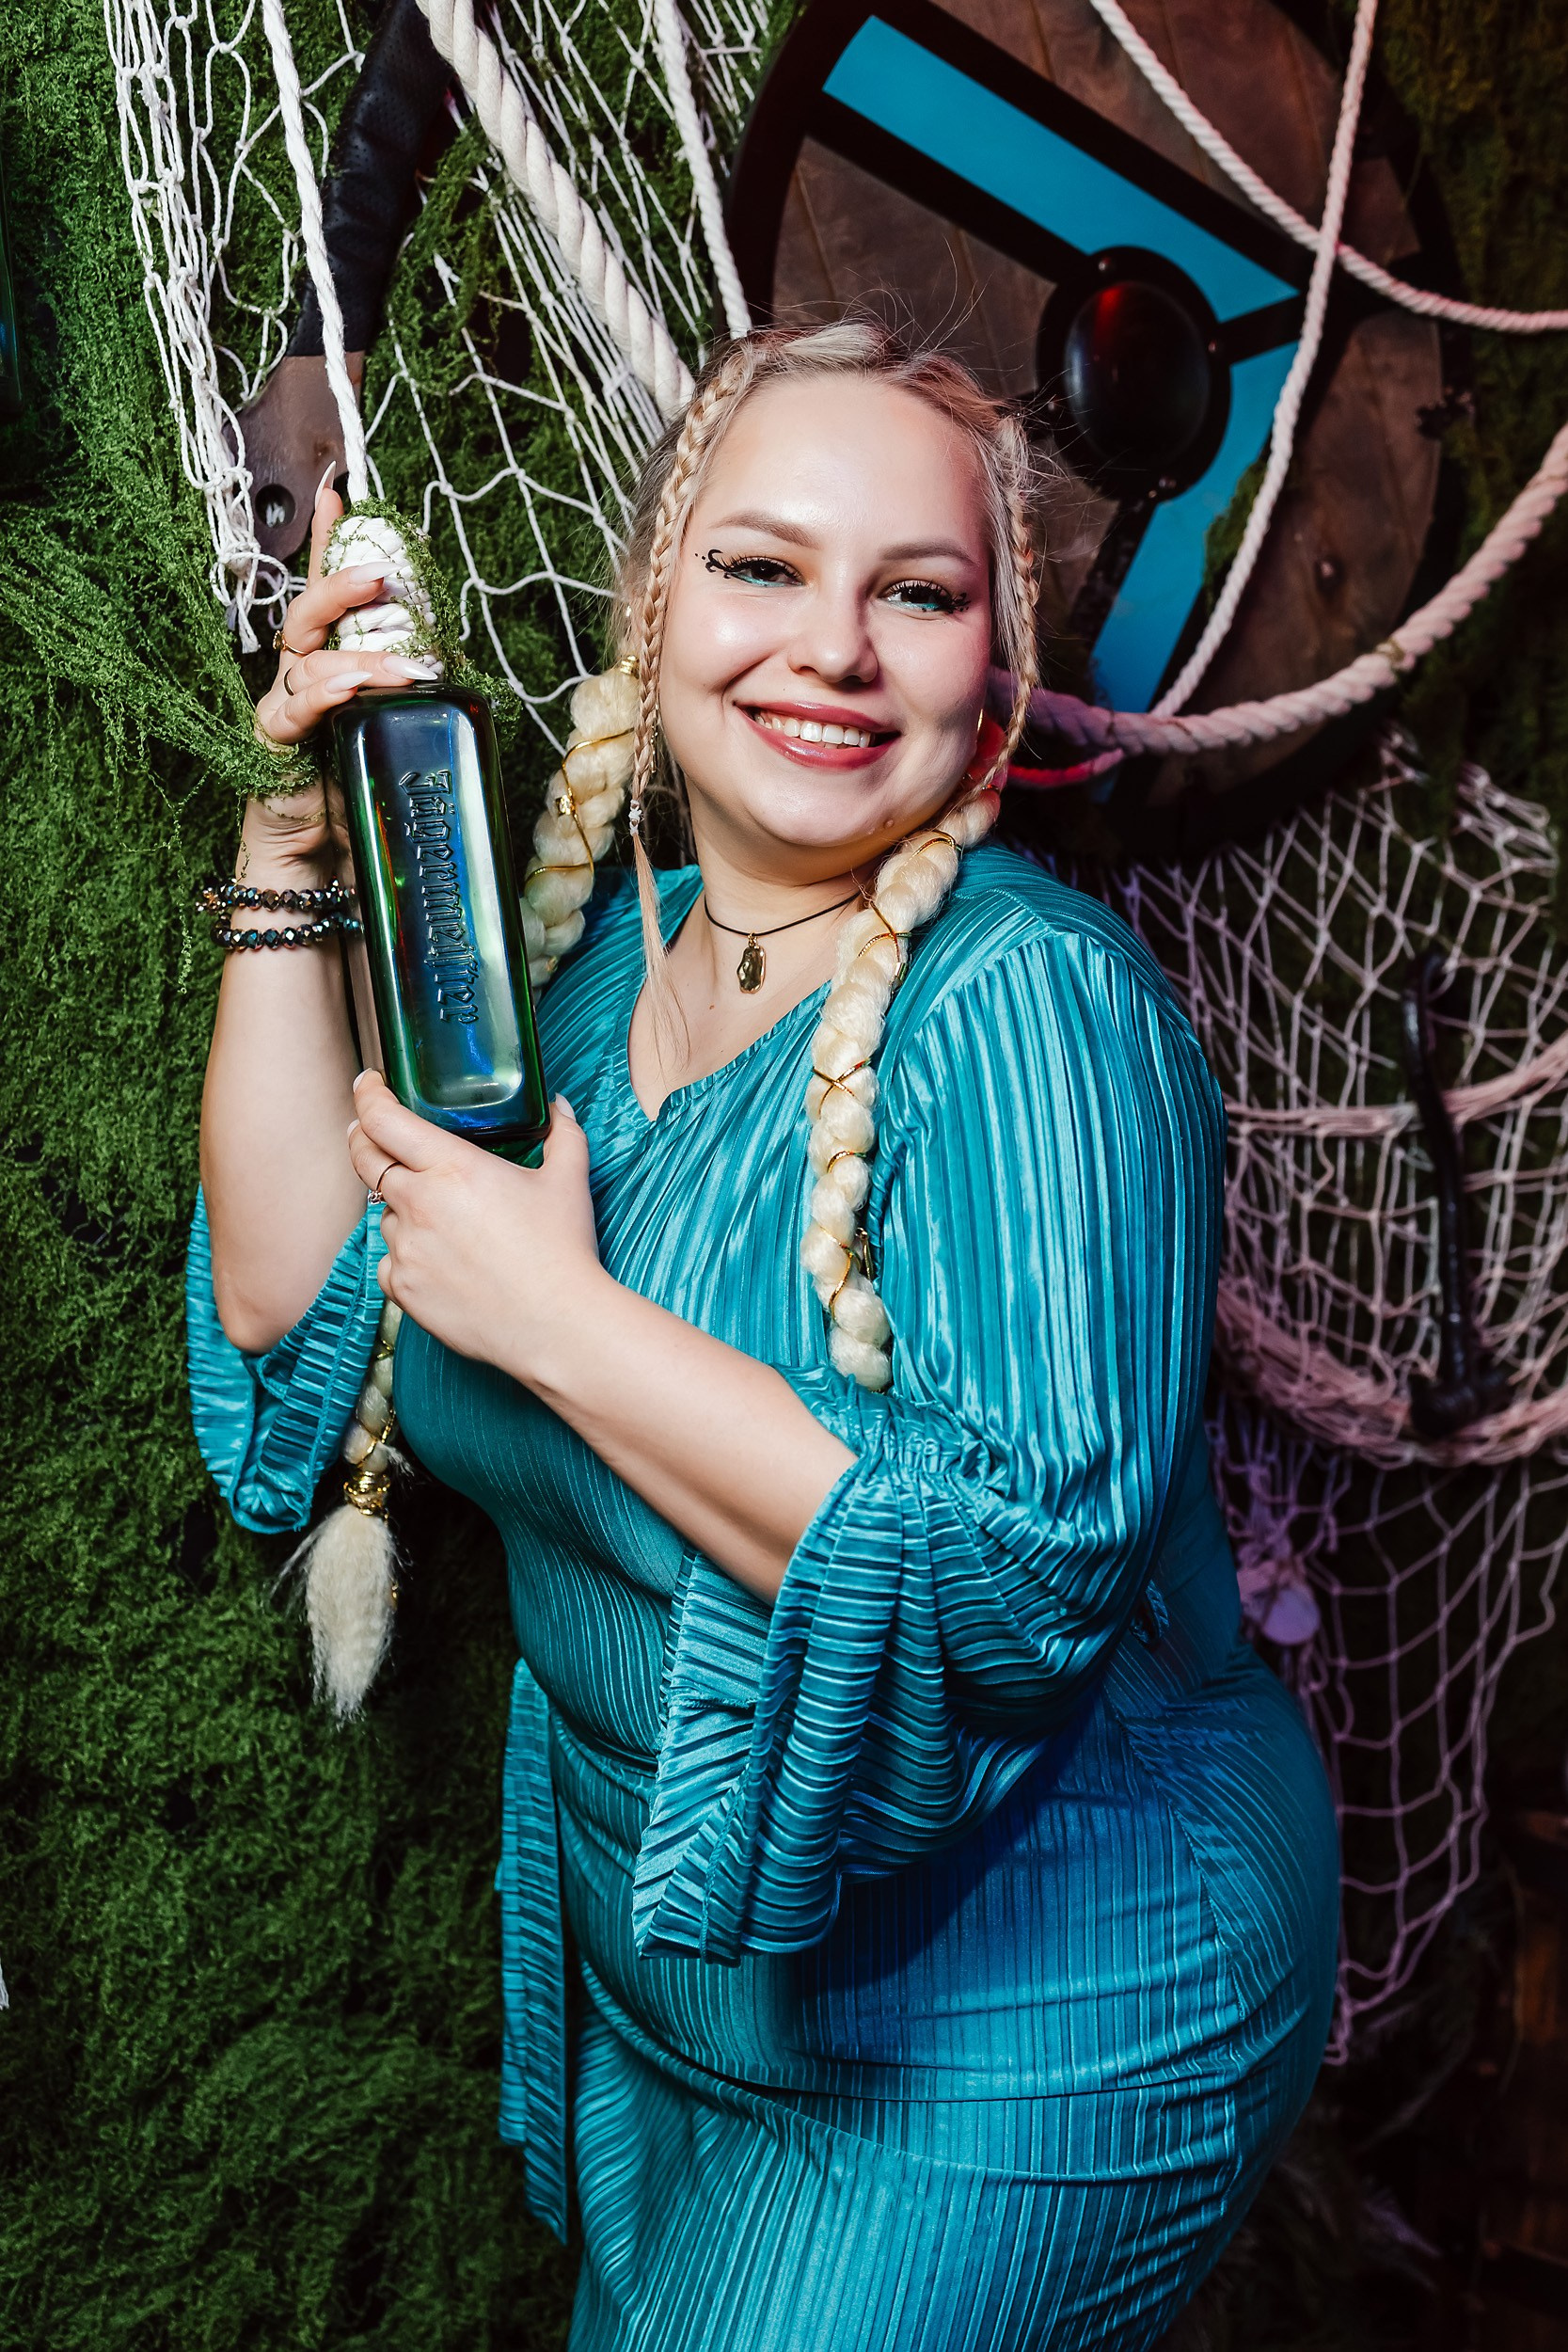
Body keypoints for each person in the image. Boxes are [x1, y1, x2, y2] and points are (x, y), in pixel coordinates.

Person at [188, 323, 1338, 2351]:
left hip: (1033, 1995)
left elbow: (1014, 1586)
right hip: (695, 1975)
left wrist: (561, 1317)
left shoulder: (1037, 1009)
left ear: (995, 668)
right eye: (762, 566)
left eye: (918, 593)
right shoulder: (588, 978)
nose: (835, 647)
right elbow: (299, 1310)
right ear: (658, 600)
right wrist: (296, 848)